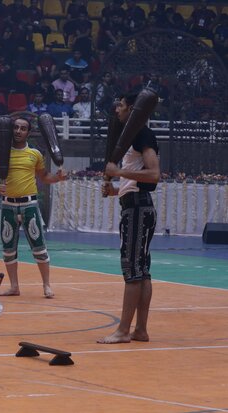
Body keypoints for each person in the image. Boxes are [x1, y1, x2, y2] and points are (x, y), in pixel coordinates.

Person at [98, 93, 160, 344]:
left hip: (137, 210)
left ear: (132, 109)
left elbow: (154, 174)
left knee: (133, 271)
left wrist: (118, 171)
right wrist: (115, 189)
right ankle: (140, 329)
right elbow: (134, 179)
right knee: (142, 272)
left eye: (121, 105)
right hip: (135, 205)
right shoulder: (133, 137)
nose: (117, 109)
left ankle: (123, 330)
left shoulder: (142, 134)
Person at [0, 117, 66, 297]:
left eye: (23, 128)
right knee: (8, 249)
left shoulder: (35, 154)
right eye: (16, 127)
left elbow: (44, 177)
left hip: (29, 205)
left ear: (28, 133)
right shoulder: (1, 152)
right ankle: (14, 286)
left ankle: (46, 285)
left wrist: (58, 178)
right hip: (8, 205)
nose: (18, 131)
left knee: (39, 247)